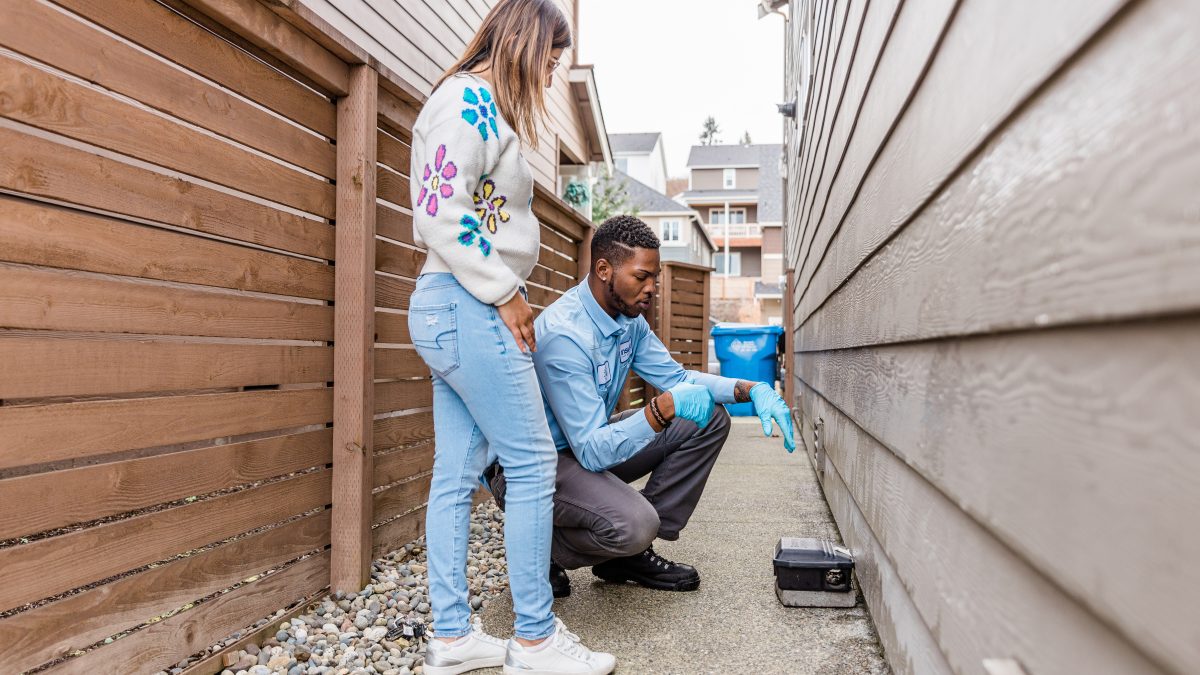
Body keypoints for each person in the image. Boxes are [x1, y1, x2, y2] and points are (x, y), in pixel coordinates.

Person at [407, 2, 613, 673]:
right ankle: (534, 638)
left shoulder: (478, 108)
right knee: (531, 464)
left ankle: (453, 632)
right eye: (551, 60)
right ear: (525, 43)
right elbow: (441, 211)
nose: (552, 77)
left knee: (457, 473)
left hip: (456, 303)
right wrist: (506, 292)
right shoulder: (464, 102)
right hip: (469, 302)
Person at [487, 215, 796, 598]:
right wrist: (659, 411)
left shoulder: (627, 317)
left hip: (583, 447)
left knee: (709, 420)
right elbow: (593, 450)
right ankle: (541, 549)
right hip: (533, 466)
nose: (651, 289)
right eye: (641, 277)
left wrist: (750, 389)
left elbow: (677, 379)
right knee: (634, 523)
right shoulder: (565, 336)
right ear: (604, 269)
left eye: (656, 279)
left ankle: (626, 555)